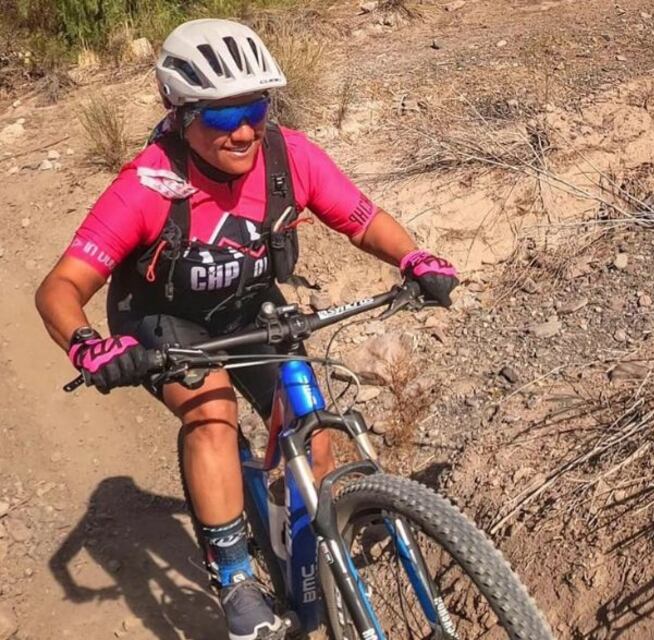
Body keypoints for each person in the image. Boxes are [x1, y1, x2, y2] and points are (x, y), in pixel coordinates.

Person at [35, 18, 458, 640]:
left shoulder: (291, 157)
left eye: (256, 108)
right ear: (178, 113)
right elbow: (59, 288)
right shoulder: (146, 186)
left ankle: (304, 547)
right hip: (163, 321)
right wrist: (87, 345)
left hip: (250, 309)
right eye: (217, 117)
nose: (242, 130)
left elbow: (363, 220)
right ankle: (235, 577)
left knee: (311, 431)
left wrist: (414, 258)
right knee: (212, 413)